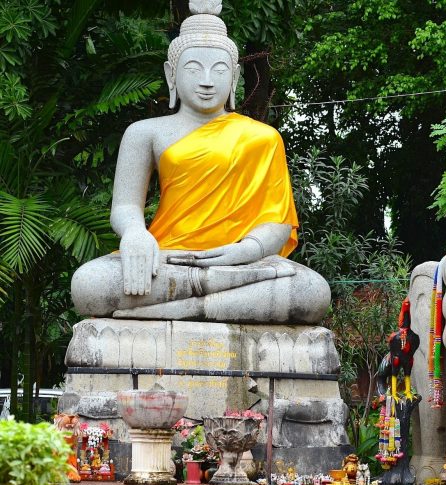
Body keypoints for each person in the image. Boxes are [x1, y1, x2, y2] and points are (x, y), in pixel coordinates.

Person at [70, 0, 330, 324]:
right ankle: (210, 306)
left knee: (312, 292)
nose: (207, 81)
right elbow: (125, 207)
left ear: (234, 77)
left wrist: (246, 250)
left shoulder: (262, 138)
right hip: (167, 260)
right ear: (171, 74)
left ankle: (189, 309)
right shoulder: (145, 133)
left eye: (218, 70)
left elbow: (276, 223)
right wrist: (135, 234)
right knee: (88, 284)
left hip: (239, 264)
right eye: (193, 69)